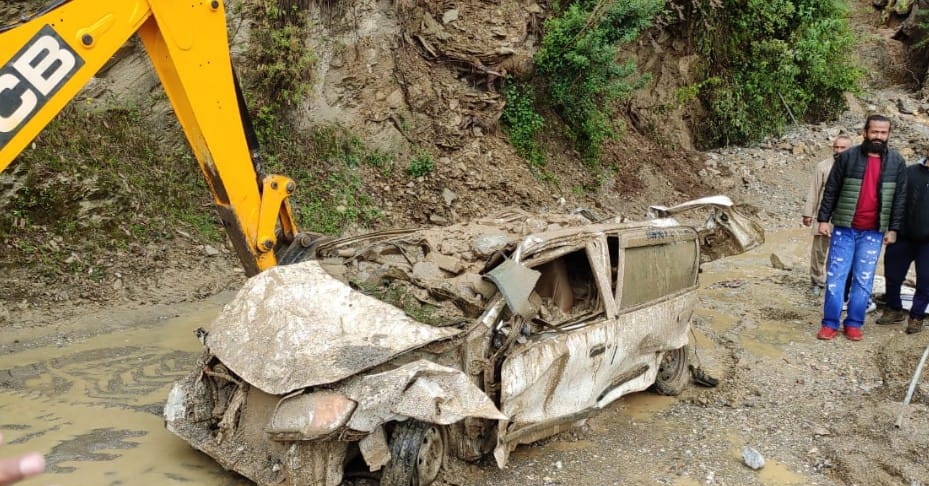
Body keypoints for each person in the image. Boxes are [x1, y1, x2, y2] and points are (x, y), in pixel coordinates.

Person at [816, 114, 907, 341]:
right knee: (836, 277)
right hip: (845, 229)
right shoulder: (847, 157)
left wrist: (893, 229)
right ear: (865, 132)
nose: (878, 136)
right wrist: (823, 219)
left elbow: (900, 199)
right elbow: (831, 191)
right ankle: (829, 323)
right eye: (874, 131)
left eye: (883, 132)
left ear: (888, 134)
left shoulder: (896, 162)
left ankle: (854, 323)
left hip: (873, 233)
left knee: (863, 279)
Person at [876, 151, 929, 334]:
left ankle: (916, 316)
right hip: (903, 236)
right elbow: (895, 201)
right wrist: (891, 228)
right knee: (892, 276)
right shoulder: (909, 172)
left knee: (926, 281)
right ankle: (893, 309)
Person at [802, 135, 853, 296]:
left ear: (850, 148)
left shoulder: (856, 166)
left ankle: (837, 282)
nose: (838, 151)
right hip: (824, 215)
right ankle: (816, 281)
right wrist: (808, 213)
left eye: (842, 148)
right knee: (819, 251)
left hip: (846, 216)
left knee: (841, 251)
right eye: (836, 147)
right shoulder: (823, 166)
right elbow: (814, 190)